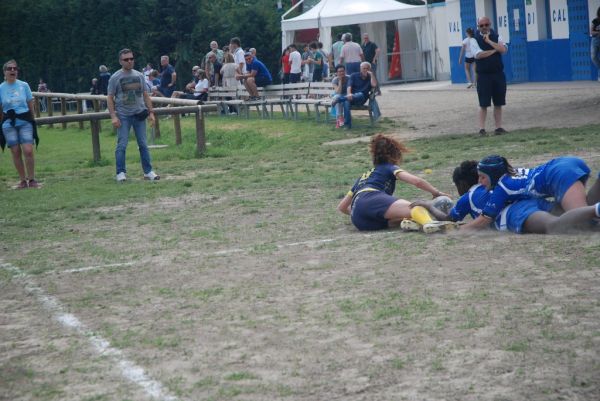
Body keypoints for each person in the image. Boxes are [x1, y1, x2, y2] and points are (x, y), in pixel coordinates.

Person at [414, 160, 600, 234]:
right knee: (582, 220)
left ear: (462, 185)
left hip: (516, 213)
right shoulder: (499, 182)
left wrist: (428, 205)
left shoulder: (468, 197)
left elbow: (450, 219)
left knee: (554, 226)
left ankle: (597, 209)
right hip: (531, 200)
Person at [337, 134, 450, 231]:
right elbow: (416, 181)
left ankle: (412, 222)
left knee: (397, 218)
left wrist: (360, 211)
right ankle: (429, 224)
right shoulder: (389, 167)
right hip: (371, 198)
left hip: (359, 220)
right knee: (416, 207)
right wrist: (436, 192)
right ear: (394, 155)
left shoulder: (363, 177)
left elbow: (342, 207)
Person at [461, 155, 599, 230]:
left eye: (483, 176)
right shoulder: (511, 174)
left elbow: (485, 219)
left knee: (584, 222)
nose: (479, 181)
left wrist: (461, 231)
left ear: (493, 175)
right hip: (565, 163)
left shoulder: (502, 187)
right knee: (586, 210)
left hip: (558, 174)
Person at [107, 48, 159, 182]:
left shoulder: (139, 76)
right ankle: (120, 172)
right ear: (120, 61)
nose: (130, 61)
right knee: (122, 144)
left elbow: (145, 94)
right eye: (126, 59)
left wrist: (151, 112)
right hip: (123, 115)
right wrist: (113, 116)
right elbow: (110, 97)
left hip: (139, 113)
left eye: (131, 58)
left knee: (143, 144)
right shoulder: (115, 77)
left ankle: (148, 171)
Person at [0, 60, 40, 189]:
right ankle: (22, 180)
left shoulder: (24, 85)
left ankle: (32, 179)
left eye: (15, 69)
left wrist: (32, 119)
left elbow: (30, 103)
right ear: (4, 72)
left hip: (24, 121)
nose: (13, 71)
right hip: (8, 123)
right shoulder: (1, 88)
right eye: (10, 69)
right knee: (15, 152)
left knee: (28, 150)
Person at [471, 16, 508, 136]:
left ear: (490, 24)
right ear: (478, 27)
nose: (484, 27)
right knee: (483, 103)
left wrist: (489, 42)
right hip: (483, 75)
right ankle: (481, 129)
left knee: (498, 102)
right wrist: (494, 50)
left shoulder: (497, 36)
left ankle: (498, 127)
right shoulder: (474, 39)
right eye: (481, 25)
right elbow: (478, 55)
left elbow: (503, 49)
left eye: (486, 24)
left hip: (498, 74)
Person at [332, 62, 379, 129]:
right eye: (363, 68)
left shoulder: (370, 77)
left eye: (367, 68)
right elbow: (349, 86)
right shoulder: (354, 75)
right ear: (360, 68)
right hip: (351, 97)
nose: (365, 70)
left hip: (361, 98)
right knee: (346, 102)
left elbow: (374, 85)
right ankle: (347, 125)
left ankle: (339, 100)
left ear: (369, 69)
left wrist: (371, 74)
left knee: (360, 94)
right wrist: (349, 94)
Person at [591, 7, 600, 76]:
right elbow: (591, 32)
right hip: (595, 40)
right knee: (593, 57)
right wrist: (597, 33)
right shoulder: (595, 21)